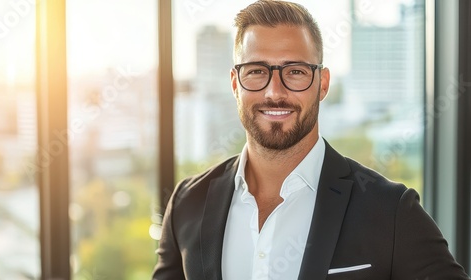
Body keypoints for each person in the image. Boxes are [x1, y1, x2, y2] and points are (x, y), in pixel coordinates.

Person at [152, 0, 470, 279]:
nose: (274, 92)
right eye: (256, 71)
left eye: (295, 72)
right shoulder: (186, 204)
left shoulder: (392, 212)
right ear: (235, 84)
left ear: (322, 83)